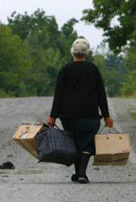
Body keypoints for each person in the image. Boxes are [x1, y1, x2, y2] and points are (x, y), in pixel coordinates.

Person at [47, 37, 113, 184]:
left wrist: (53, 116)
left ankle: (79, 174)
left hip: (69, 115)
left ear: (73, 53)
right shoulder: (93, 70)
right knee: (87, 143)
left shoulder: (65, 70)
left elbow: (59, 95)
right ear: (86, 53)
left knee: (76, 142)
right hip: (90, 115)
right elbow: (101, 95)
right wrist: (107, 116)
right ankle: (81, 173)